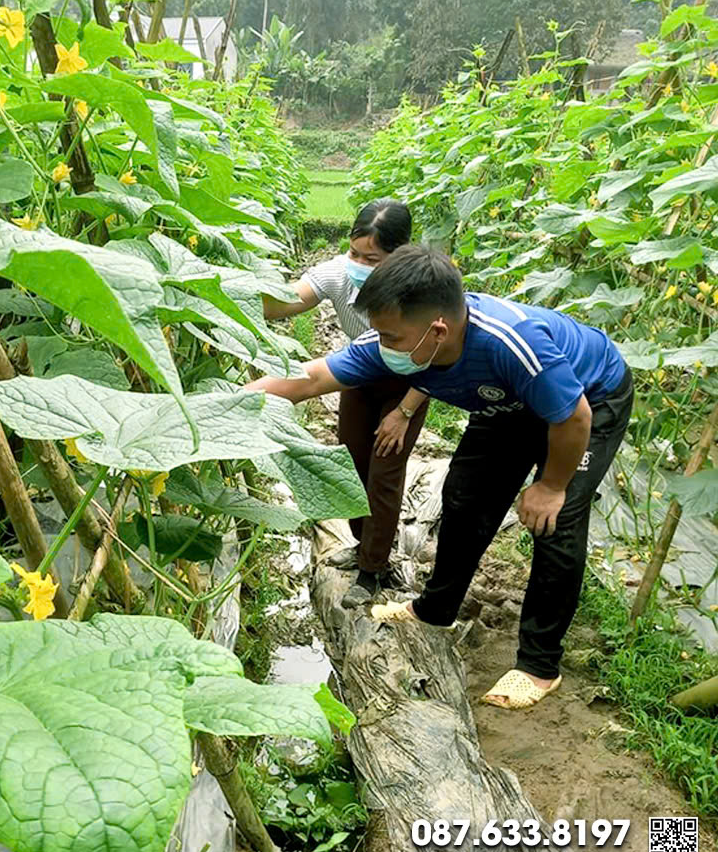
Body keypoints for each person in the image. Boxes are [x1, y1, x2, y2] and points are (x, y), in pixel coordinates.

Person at [249, 245, 633, 710]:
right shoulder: (396, 348)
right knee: (464, 499)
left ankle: (539, 665)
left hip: (588, 401)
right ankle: (435, 610)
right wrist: (230, 405)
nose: (381, 345)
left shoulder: (513, 343)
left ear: (438, 330)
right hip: (507, 406)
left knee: (554, 523)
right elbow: (308, 380)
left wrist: (550, 485)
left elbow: (573, 417)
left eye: (390, 335)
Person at [262, 199, 429, 581]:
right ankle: (360, 545)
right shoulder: (339, 274)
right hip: (360, 372)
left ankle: (373, 569)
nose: (359, 264)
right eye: (355, 252)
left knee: (385, 472)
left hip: (410, 381)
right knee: (352, 463)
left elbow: (438, 360)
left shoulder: (419, 287)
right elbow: (285, 302)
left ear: (399, 255)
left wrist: (403, 413)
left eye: (372, 259)